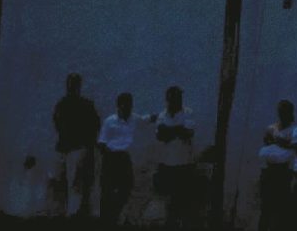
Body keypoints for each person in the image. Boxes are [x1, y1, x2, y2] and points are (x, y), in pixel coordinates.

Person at [52, 73, 100, 219]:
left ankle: (70, 214)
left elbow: (58, 124)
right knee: (74, 184)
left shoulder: (63, 104)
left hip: (73, 149)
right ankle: (72, 214)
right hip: (76, 148)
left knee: (72, 184)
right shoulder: (83, 104)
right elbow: (95, 125)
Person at [149, 85, 198, 227]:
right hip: (166, 164)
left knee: (183, 200)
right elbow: (161, 136)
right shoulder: (162, 115)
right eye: (174, 98)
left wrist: (170, 130)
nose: (177, 101)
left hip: (184, 164)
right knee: (167, 200)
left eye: (179, 97)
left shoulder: (188, 112)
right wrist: (178, 129)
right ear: (168, 99)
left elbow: (188, 133)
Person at [97, 92, 139, 224]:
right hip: (111, 157)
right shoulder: (110, 121)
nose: (128, 108)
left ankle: (115, 215)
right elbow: (101, 142)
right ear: (119, 105)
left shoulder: (134, 118)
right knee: (108, 190)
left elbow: (146, 119)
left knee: (126, 187)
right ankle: (107, 219)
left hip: (124, 158)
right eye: (125, 104)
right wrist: (109, 156)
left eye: (130, 105)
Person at [258, 100, 297, 231]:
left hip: (283, 173)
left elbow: (291, 146)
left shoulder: (293, 131)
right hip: (269, 171)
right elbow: (267, 145)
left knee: (281, 210)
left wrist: (278, 141)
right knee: (266, 209)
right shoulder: (271, 128)